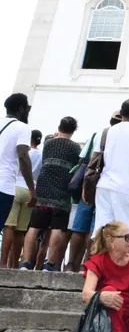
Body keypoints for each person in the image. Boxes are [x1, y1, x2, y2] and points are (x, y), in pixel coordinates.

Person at [91, 99, 129, 255]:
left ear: (121, 113)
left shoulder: (104, 133)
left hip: (104, 185)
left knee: (102, 229)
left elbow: (95, 158)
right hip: (128, 188)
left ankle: (99, 269)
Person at [20, 116, 81, 271]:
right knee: (57, 228)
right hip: (62, 188)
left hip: (43, 187)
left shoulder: (48, 143)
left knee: (34, 226)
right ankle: (50, 264)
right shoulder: (75, 148)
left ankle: (26, 263)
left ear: (59, 127)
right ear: (73, 130)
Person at [66, 110, 123, 272]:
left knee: (79, 226)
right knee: (96, 227)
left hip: (90, 183)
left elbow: (84, 159)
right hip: (108, 187)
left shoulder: (98, 135)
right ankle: (88, 262)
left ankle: (70, 263)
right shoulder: (121, 139)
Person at [1, 129, 42, 268]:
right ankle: (14, 264)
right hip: (29, 190)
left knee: (9, 227)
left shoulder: (22, 151)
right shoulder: (41, 155)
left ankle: (3, 263)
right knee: (20, 230)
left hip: (14, 187)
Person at [0, 93, 35, 231]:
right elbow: (23, 156)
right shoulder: (22, 128)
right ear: (21, 109)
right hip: (3, 187)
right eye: (28, 108)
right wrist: (31, 188)